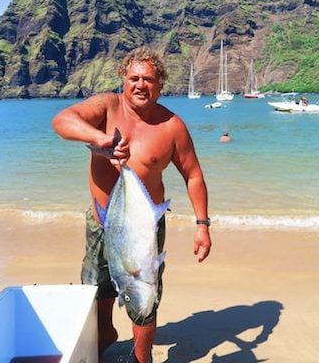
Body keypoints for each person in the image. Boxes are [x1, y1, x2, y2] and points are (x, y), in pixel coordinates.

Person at [51, 47, 212, 363]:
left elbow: (193, 175)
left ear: (160, 84)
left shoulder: (172, 126)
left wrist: (202, 225)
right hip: (101, 221)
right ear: (123, 81)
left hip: (145, 226)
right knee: (95, 288)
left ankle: (142, 356)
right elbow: (63, 120)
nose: (141, 85)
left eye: (149, 79)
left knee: (144, 291)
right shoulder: (107, 107)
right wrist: (100, 141)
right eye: (134, 78)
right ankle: (105, 333)